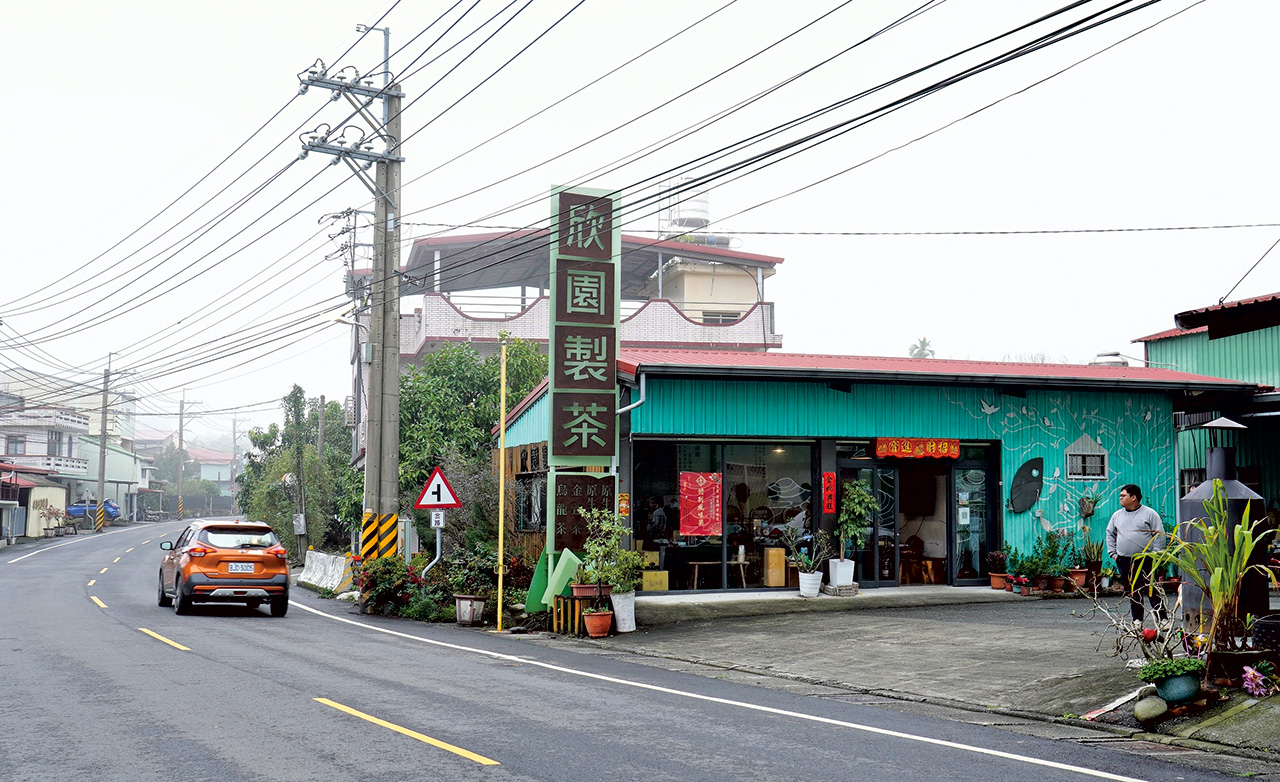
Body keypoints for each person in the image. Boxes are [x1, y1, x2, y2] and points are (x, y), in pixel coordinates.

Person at [1105, 484, 1167, 626]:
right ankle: (1137, 620)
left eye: (1123, 495)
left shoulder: (1149, 514)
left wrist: (1155, 555)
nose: (1120, 498)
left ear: (1133, 497)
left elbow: (1159, 534)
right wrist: (1113, 554)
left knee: (1152, 589)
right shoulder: (1117, 515)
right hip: (1125, 560)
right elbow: (1110, 533)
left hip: (1146, 559)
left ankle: (1163, 619)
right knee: (1134, 590)